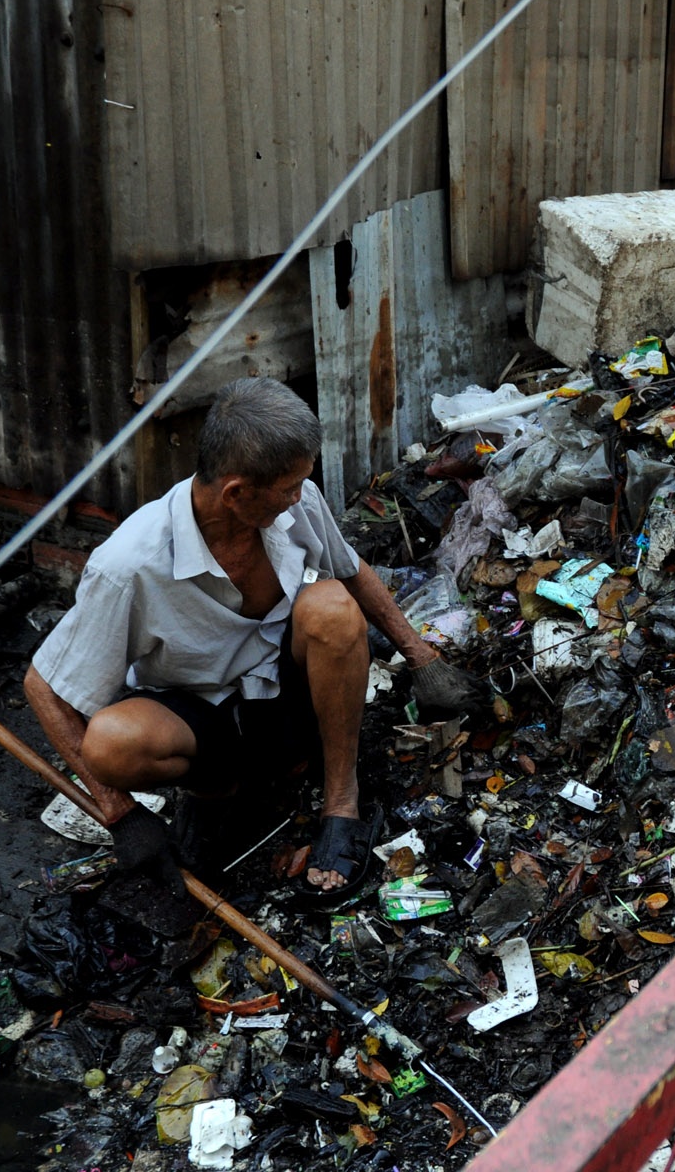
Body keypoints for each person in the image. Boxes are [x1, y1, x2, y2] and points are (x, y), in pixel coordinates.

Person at [24, 378, 472, 900]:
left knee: (330, 607)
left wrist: (421, 658)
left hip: (288, 699)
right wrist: (120, 814)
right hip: (201, 714)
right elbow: (43, 686)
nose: (299, 497)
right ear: (236, 493)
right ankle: (218, 793)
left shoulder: (294, 507)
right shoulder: (129, 566)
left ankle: (340, 800)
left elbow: (351, 570)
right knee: (110, 743)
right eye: (288, 488)